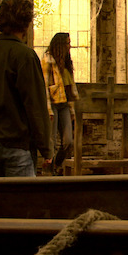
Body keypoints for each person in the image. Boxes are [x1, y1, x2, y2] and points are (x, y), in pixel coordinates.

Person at [0, 0, 53, 176]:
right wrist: (46, 149)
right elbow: (35, 105)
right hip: (17, 148)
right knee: (23, 203)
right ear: (26, 23)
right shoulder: (25, 56)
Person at [43, 32, 78, 170]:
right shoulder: (47, 60)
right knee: (52, 141)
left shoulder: (67, 63)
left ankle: (56, 165)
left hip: (64, 105)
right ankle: (49, 170)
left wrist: (72, 111)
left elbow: (70, 90)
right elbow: (44, 86)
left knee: (68, 141)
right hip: (52, 104)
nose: (69, 46)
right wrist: (48, 109)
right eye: (67, 43)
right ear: (59, 45)